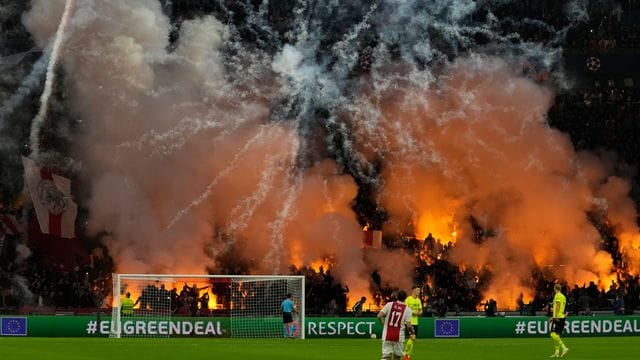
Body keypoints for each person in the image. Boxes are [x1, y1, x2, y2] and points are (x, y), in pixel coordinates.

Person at [377, 290, 414, 360]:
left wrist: (383, 324)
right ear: (405, 298)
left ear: (396, 297)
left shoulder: (389, 304)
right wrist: (412, 333)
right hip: (399, 336)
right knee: (397, 356)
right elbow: (409, 326)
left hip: (387, 335)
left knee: (386, 357)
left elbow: (379, 316)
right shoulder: (407, 309)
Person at [549, 284, 569, 358]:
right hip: (562, 317)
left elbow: (557, 306)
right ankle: (557, 352)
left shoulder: (557, 296)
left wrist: (554, 317)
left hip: (558, 317)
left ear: (555, 289)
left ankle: (564, 348)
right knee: (557, 335)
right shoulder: (563, 297)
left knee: (552, 334)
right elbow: (561, 307)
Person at [403, 286, 423, 360]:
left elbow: (421, 311)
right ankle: (406, 354)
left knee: (413, 339)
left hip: (415, 322)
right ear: (413, 290)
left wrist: (417, 314)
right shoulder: (408, 299)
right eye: (418, 290)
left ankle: (406, 354)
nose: (419, 291)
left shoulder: (418, 300)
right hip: (408, 322)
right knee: (412, 337)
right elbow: (404, 309)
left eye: (419, 290)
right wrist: (411, 312)